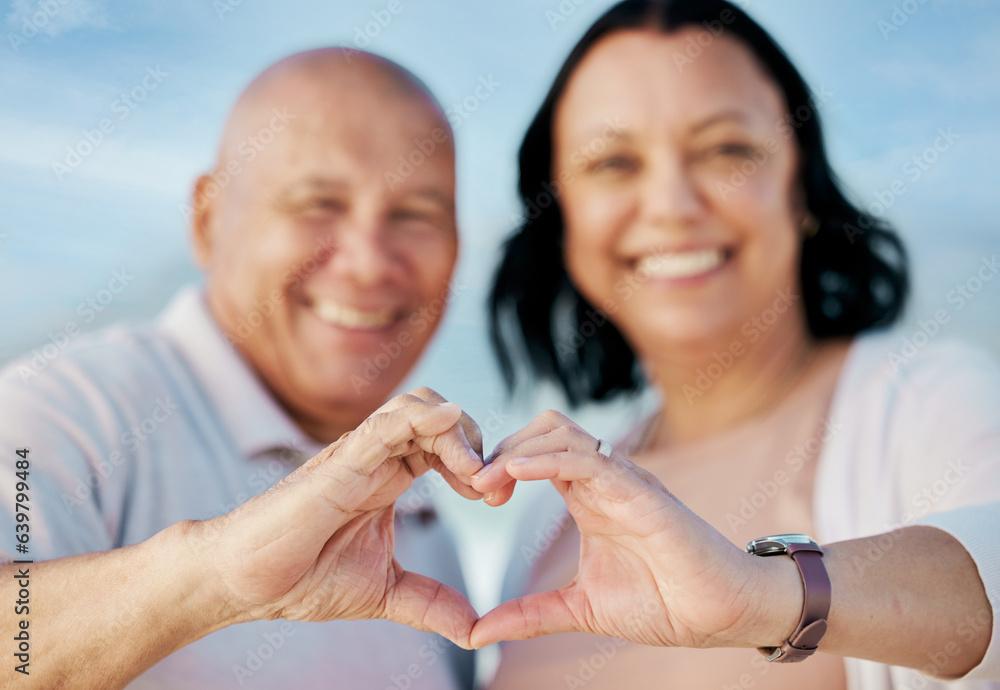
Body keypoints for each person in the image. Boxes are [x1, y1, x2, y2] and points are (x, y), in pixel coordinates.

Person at [470, 1, 1000, 688]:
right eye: (613, 162)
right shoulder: (547, 509)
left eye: (727, 149)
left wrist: (763, 594)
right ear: (561, 217)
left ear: (801, 189)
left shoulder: (934, 402)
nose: (671, 204)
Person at [0, 49, 486, 689]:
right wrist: (217, 579)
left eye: (415, 215)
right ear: (207, 219)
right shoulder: (61, 412)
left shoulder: (422, 505)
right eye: (319, 202)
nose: (370, 262)